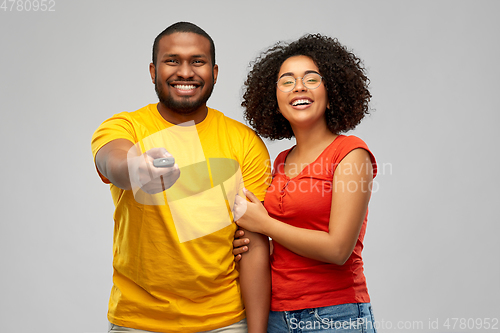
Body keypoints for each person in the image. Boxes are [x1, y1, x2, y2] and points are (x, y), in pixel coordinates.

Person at [91, 22, 271, 333]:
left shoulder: (244, 142)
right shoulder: (125, 127)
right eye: (172, 60)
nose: (185, 72)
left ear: (214, 72)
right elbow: (112, 161)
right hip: (138, 321)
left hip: (226, 321)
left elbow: (252, 246)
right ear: (152, 71)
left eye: (197, 61)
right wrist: (137, 170)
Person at [232, 34, 378, 332]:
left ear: (331, 90)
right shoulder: (281, 161)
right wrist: (252, 246)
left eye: (311, 79)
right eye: (286, 81)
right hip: (277, 316)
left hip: (335, 316)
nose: (298, 87)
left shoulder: (351, 154)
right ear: (274, 97)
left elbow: (338, 250)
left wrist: (265, 225)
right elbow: (288, 243)